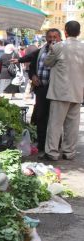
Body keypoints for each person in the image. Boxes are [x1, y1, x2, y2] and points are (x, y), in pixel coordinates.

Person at [13, 29, 62, 152]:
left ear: (59, 38)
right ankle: (41, 144)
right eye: (49, 37)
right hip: (41, 89)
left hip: (56, 89)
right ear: (46, 38)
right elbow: (32, 64)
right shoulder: (41, 51)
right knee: (40, 117)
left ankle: (55, 146)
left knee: (54, 119)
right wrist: (33, 76)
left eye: (55, 37)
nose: (52, 39)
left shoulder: (62, 50)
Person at [43, 21, 84, 161]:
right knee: (72, 125)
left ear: (65, 32)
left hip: (60, 92)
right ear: (78, 32)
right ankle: (69, 152)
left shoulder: (58, 47)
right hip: (77, 91)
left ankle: (53, 152)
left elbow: (47, 63)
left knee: (55, 124)